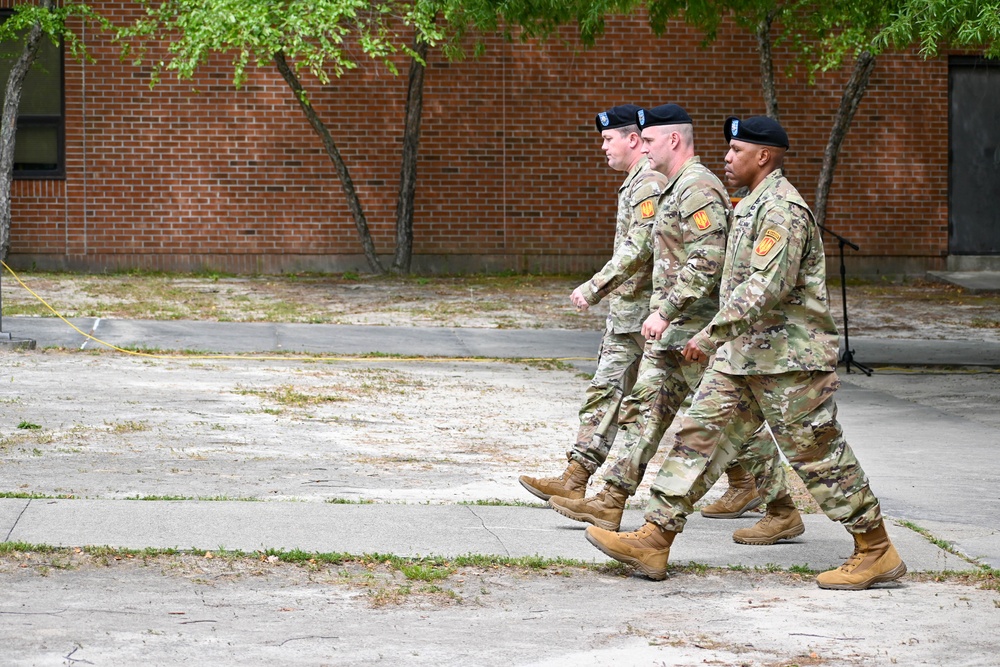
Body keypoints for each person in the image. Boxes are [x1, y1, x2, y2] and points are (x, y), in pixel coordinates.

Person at [585, 116, 907, 591]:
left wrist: (710, 334)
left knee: (819, 456)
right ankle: (654, 538)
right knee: (696, 439)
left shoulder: (783, 210)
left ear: (765, 156)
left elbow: (764, 287)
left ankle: (876, 548)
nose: (727, 158)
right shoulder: (750, 204)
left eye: (737, 150)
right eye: (728, 149)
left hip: (789, 363)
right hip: (742, 359)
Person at [549, 105, 798, 546]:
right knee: (642, 409)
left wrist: (666, 311)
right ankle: (610, 498)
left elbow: (707, 258)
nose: (641, 148)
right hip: (670, 333)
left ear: (674, 141)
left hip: (694, 333)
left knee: (728, 425)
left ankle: (781, 509)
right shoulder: (674, 188)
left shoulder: (699, 188)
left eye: (648, 141)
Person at [518, 105, 666, 502]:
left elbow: (642, 244)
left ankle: (762, 490)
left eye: (607, 139)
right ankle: (575, 476)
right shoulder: (635, 181)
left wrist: (595, 286)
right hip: (629, 312)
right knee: (605, 391)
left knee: (709, 404)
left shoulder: (649, 181)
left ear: (632, 139)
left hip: (655, 314)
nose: (602, 147)